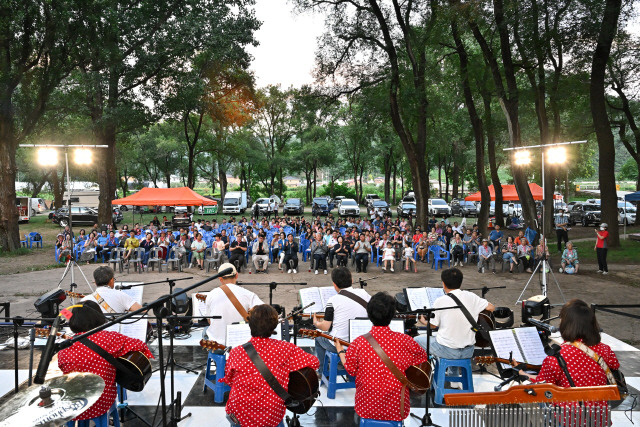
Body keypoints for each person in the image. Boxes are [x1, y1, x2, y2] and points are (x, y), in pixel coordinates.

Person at [334, 292, 429, 422]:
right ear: (392, 315)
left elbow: (351, 369)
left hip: (366, 407)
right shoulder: (405, 341)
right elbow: (422, 358)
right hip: (397, 408)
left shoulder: (358, 343)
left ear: (369, 314)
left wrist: (340, 352)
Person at [222, 304, 319, 427]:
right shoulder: (286, 349)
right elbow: (314, 362)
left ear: (250, 325)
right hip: (271, 416)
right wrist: (288, 371)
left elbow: (229, 380)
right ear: (273, 326)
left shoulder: (236, 352)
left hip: (240, 415)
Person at [57, 301, 153, 422]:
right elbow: (140, 345)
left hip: (74, 403)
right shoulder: (110, 338)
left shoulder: (65, 346)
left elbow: (62, 367)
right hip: (101, 401)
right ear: (98, 317)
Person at [517, 299, 619, 411]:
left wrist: (522, 373)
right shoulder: (605, 349)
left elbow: (543, 385)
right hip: (599, 417)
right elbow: (614, 366)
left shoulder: (557, 356)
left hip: (568, 418)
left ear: (567, 325)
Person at [416, 268, 495, 383]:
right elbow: (491, 307)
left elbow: (432, 326)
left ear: (443, 283)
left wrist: (423, 322)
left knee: (416, 340)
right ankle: (453, 378)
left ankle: (423, 374)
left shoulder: (440, 301)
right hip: (468, 350)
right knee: (452, 338)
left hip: (448, 350)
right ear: (460, 282)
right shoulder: (471, 296)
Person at [313, 267, 371, 377]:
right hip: (362, 343)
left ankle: (322, 372)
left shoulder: (333, 300)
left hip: (341, 345)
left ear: (334, 285)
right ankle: (343, 364)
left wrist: (317, 323)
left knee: (318, 338)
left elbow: (325, 327)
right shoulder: (364, 293)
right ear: (352, 280)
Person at [205, 263, 264, 345]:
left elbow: (210, 321)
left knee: (205, 330)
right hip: (243, 345)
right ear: (236, 275)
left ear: (220, 279)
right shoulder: (248, 294)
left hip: (218, 345)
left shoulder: (211, 294)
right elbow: (265, 314)